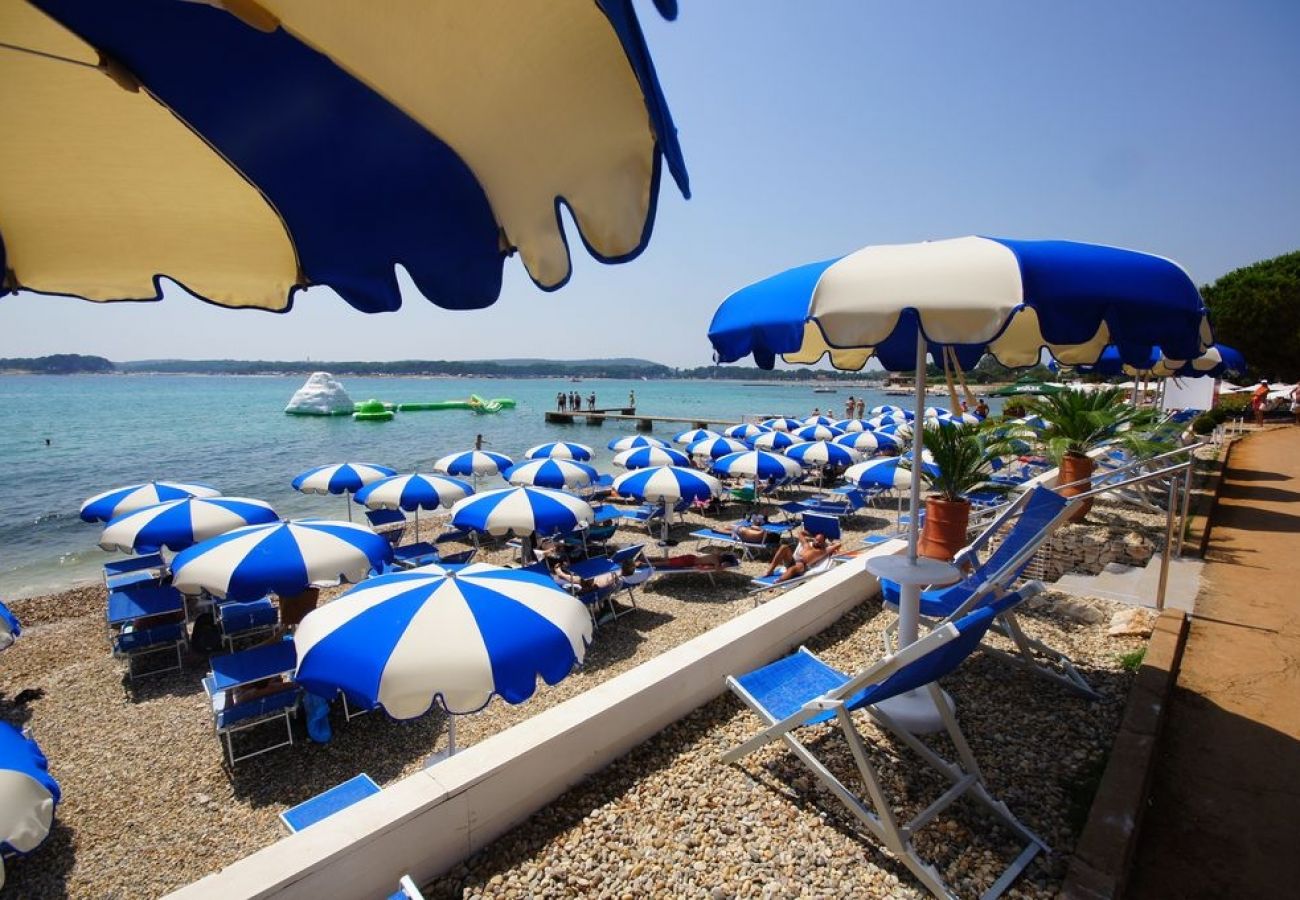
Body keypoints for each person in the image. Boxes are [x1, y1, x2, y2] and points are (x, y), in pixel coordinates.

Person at [763, 529, 840, 584]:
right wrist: (812, 534)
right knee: (784, 547)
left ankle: (779, 581)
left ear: (823, 543)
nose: (816, 542)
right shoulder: (807, 545)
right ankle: (770, 570)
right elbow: (800, 533)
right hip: (793, 561)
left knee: (794, 568)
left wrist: (829, 543)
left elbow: (838, 544)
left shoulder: (822, 551)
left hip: (802, 565)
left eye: (819, 541)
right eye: (816, 540)